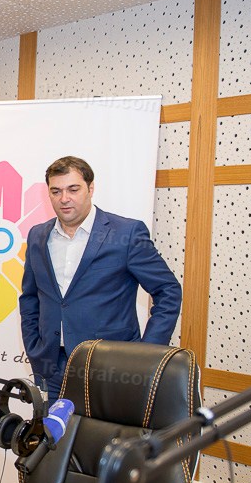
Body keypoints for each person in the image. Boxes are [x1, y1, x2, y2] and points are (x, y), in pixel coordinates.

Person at [19, 156, 181, 400]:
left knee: (109, 428)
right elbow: (31, 297)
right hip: (54, 368)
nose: (64, 198)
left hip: (113, 367)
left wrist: (148, 353)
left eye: (73, 189)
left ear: (90, 188)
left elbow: (168, 290)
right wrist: (34, 347)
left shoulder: (127, 233)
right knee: (56, 427)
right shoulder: (38, 235)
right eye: (56, 191)